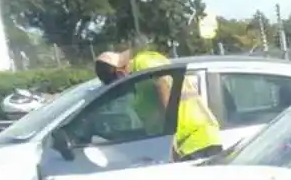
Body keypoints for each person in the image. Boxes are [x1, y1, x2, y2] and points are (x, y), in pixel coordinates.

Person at [90, 48, 223, 160]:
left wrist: (169, 137)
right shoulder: (141, 79)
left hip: (192, 142)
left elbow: (162, 83)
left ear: (120, 73)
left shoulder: (142, 64)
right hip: (196, 139)